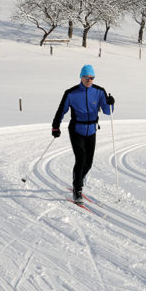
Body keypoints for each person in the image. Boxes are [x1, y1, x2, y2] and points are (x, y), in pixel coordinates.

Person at [52, 65, 115, 204]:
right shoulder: (71, 93)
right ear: (81, 77)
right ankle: (77, 189)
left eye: (92, 78)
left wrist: (111, 103)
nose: (89, 80)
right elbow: (61, 110)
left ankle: (78, 179)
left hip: (91, 130)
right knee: (81, 159)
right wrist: (55, 126)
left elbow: (107, 111)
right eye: (87, 77)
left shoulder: (99, 91)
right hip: (76, 129)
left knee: (89, 162)